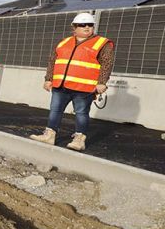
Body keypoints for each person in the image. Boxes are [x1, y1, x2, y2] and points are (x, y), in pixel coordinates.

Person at [29, 12, 114, 151]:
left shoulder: (102, 43)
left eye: (90, 25)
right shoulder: (64, 42)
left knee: (81, 113)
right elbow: (53, 61)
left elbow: (107, 64)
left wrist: (102, 82)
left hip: (83, 87)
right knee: (55, 110)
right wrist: (48, 79)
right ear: (74, 27)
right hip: (61, 85)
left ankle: (79, 140)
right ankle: (49, 135)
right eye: (82, 25)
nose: (87, 27)